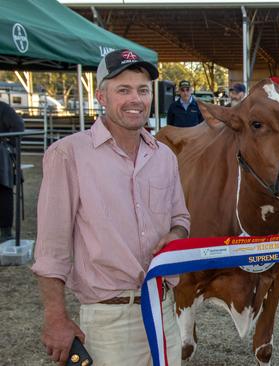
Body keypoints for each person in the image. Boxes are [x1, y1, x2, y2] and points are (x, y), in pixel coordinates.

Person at [32, 49, 190, 365]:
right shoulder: (68, 155)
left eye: (143, 90)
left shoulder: (164, 157)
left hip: (163, 314)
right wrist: (55, 318)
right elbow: (52, 249)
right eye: (123, 90)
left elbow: (180, 217)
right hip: (109, 323)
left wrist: (176, 233)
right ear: (102, 96)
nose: (136, 99)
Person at [0, 101, 24, 242]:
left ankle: (5, 232)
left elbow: (18, 128)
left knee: (3, 191)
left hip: (1, 158)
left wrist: (6, 143)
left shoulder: (3, 108)